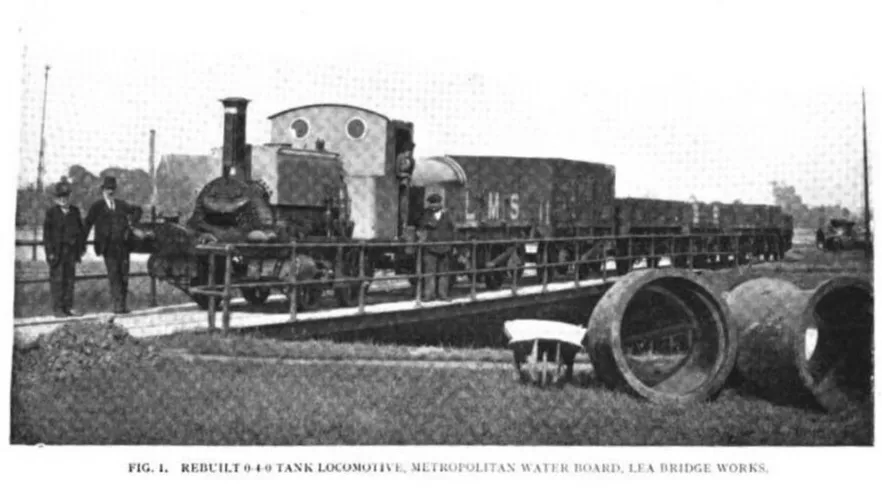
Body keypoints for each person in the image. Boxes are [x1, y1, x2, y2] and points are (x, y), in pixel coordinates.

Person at [83, 176, 141, 314]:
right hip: (108, 247)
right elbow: (87, 224)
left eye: (112, 189)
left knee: (124, 275)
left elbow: (137, 210)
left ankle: (123, 305)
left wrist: (131, 223)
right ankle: (118, 306)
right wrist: (81, 243)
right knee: (114, 275)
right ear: (103, 190)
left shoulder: (121, 205)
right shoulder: (97, 206)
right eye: (108, 189)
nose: (110, 191)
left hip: (123, 246)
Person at [43, 178, 85, 317]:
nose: (63, 199)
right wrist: (50, 252)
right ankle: (58, 309)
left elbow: (81, 231)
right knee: (58, 280)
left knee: (69, 280)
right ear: (56, 198)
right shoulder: (51, 213)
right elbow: (47, 235)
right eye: (60, 197)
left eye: (65, 196)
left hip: (71, 252)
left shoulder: (75, 211)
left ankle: (68, 307)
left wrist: (80, 249)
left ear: (69, 197)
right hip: (57, 253)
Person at [417, 193, 456, 301]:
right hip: (430, 248)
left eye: (435, 203)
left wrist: (452, 244)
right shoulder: (425, 215)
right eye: (431, 203)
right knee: (429, 273)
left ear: (440, 203)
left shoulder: (447, 215)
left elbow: (453, 229)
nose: (433, 206)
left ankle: (443, 294)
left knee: (444, 273)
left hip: (445, 247)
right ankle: (429, 295)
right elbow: (421, 227)